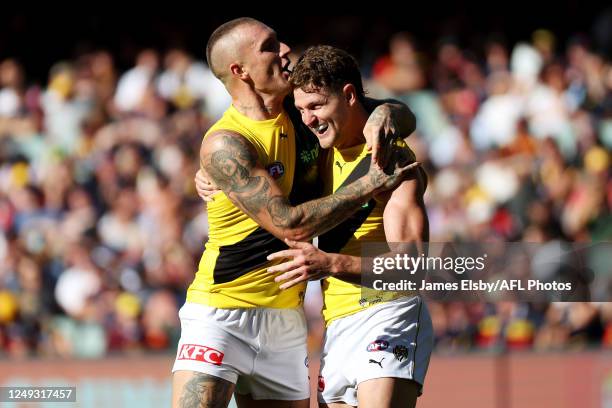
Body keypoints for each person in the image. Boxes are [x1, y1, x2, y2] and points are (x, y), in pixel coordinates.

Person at [173, 18, 418, 408]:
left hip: (286, 320)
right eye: (269, 46)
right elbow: (289, 223)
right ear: (240, 71)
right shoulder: (226, 143)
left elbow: (398, 114)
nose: (285, 49)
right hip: (222, 310)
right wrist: (371, 182)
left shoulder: (305, 112)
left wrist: (386, 113)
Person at [267, 45, 433, 408]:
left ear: (349, 95)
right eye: (301, 110)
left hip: (388, 311)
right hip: (337, 324)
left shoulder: (392, 160)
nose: (308, 119)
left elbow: (414, 267)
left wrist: (331, 264)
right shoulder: (314, 152)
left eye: (316, 106)